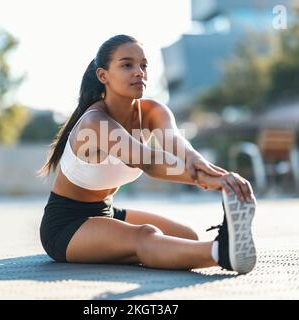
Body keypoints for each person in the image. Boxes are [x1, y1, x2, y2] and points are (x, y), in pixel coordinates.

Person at [37, 35, 257, 274]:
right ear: (103, 76)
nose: (139, 72)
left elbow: (175, 142)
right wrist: (213, 182)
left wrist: (201, 163)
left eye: (143, 65)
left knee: (187, 235)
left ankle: (133, 250)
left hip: (106, 212)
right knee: (146, 236)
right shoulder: (95, 122)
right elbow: (149, 161)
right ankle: (222, 253)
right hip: (66, 226)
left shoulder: (153, 111)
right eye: (127, 65)